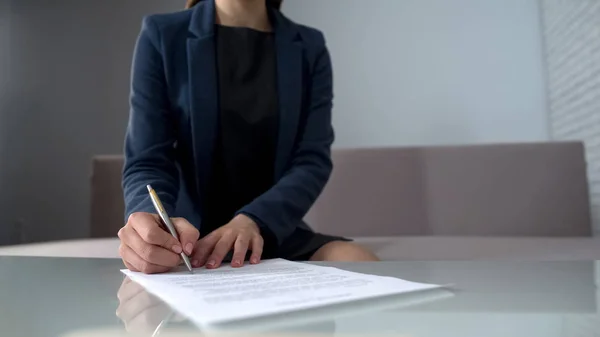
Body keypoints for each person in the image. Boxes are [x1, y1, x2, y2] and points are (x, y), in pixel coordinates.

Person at [118, 0, 379, 274]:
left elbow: (312, 161)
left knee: (359, 261)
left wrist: (252, 220)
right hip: (186, 240)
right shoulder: (162, 34)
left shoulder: (308, 45)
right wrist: (151, 220)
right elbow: (148, 160)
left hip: (272, 229)